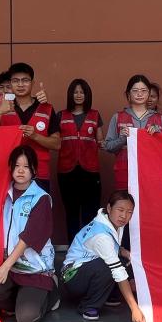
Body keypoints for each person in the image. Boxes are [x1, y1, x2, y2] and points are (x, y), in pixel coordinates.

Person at [0, 146, 57, 322]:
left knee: (26, 319)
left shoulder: (41, 198)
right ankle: (22, 300)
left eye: (26, 167)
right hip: (11, 268)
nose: (21, 171)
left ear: (34, 170)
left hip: (34, 269)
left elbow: (28, 238)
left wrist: (5, 266)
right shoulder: (3, 194)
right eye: (17, 166)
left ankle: (52, 294)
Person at [61, 191, 145, 322]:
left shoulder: (111, 222)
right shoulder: (101, 235)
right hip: (72, 277)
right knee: (110, 266)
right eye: (120, 210)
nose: (124, 216)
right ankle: (88, 306)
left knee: (124, 260)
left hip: (87, 268)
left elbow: (114, 247)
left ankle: (108, 295)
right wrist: (135, 309)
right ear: (109, 208)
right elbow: (116, 268)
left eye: (129, 212)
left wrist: (125, 252)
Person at [0, 63, 60, 191]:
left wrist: (35, 136)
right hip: (10, 173)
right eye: (16, 81)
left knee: (40, 204)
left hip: (39, 173)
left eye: (25, 80)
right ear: (10, 84)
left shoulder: (47, 108)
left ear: (33, 83)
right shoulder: (3, 107)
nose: (20, 85)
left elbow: (57, 144)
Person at [104, 75, 162, 191]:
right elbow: (108, 146)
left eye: (143, 90)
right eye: (135, 91)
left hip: (153, 174)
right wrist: (122, 139)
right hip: (125, 173)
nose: (139, 94)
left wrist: (159, 137)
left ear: (148, 93)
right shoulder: (118, 117)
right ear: (128, 94)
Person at [57, 79, 104, 241]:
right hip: (67, 171)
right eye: (75, 92)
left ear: (87, 95)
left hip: (90, 171)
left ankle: (89, 248)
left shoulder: (95, 115)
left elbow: (101, 141)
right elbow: (54, 140)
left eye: (82, 92)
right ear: (70, 94)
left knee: (90, 212)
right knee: (71, 212)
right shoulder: (60, 115)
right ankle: (73, 249)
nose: (78, 95)